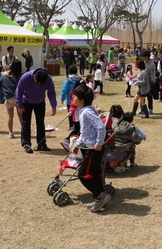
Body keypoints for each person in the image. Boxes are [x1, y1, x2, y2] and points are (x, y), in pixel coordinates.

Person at [70, 84, 112, 213]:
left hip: (94, 149)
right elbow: (85, 132)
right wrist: (78, 144)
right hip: (89, 147)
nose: (72, 98)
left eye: (75, 96)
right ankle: (99, 198)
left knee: (84, 175)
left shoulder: (87, 112)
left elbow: (100, 127)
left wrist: (99, 143)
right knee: (95, 173)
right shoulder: (84, 111)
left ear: (82, 99)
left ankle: (101, 195)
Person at [15, 68, 57, 153]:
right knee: (26, 123)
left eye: (40, 83)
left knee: (40, 123)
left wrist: (53, 106)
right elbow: (18, 92)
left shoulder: (48, 79)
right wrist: (20, 105)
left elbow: (51, 92)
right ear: (34, 76)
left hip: (40, 102)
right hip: (26, 102)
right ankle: (26, 143)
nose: (38, 84)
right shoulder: (25, 77)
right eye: (37, 82)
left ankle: (41, 144)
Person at [0, 60, 22, 138]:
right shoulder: (19, 77)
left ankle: (11, 133)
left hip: (9, 97)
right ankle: (24, 130)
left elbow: (0, 83)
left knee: (10, 116)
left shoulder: (4, 75)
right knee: (21, 115)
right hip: (18, 97)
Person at [61, 65, 81, 132]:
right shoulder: (80, 79)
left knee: (70, 113)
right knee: (79, 113)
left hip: (70, 100)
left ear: (69, 72)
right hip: (80, 100)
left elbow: (64, 90)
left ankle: (71, 126)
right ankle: (79, 125)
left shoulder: (68, 81)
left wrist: (62, 98)